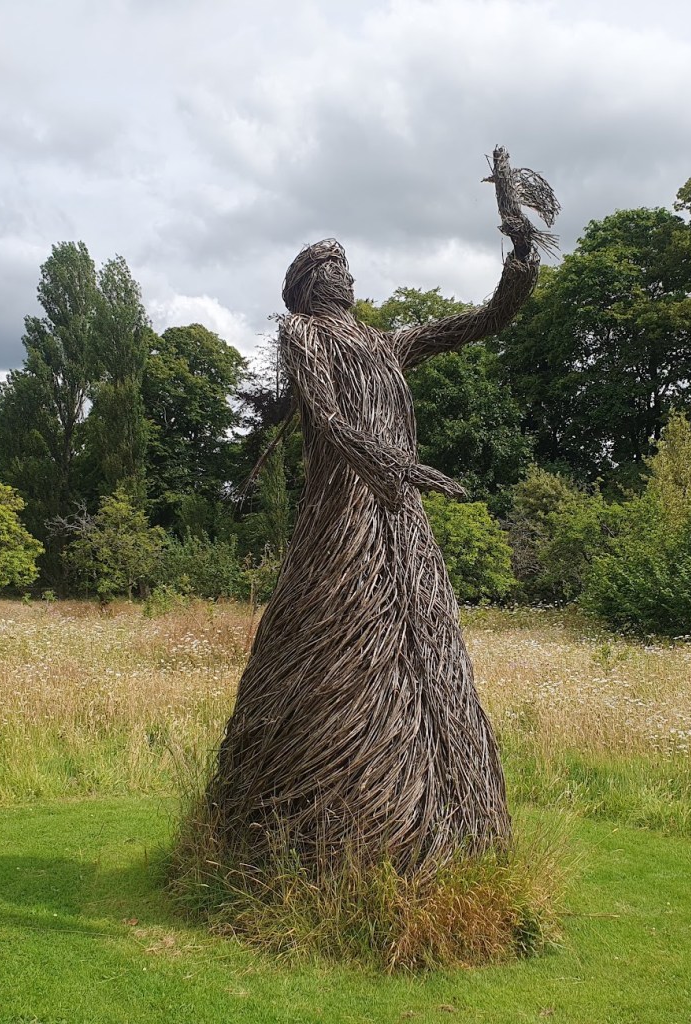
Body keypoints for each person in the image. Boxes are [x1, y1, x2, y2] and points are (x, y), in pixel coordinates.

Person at [206, 165, 545, 874]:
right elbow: (326, 420)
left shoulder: (388, 343)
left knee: (426, 647)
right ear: (305, 287)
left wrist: (519, 257)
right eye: (328, 269)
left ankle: (457, 825)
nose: (343, 279)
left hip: (404, 526)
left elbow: (481, 322)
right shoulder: (305, 335)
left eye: (346, 270)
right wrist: (398, 466)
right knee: (335, 642)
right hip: (346, 519)